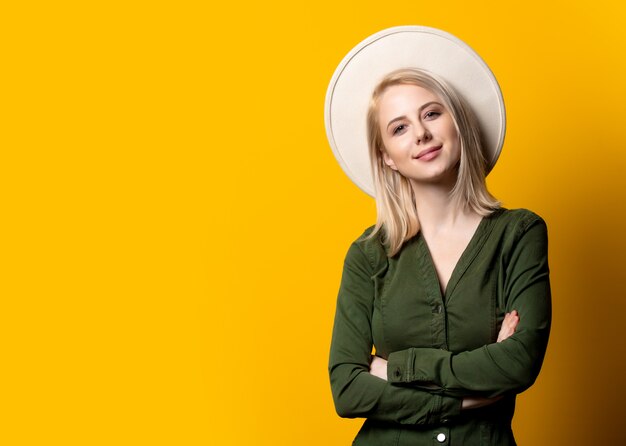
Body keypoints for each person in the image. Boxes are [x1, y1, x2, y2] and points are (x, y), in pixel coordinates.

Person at [325, 27, 551, 445]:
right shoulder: (368, 254)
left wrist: (397, 369)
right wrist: (467, 396)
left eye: (431, 113)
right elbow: (347, 388)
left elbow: (518, 363)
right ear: (386, 158)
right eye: (399, 128)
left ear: (457, 122)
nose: (421, 134)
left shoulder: (519, 234)